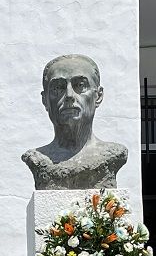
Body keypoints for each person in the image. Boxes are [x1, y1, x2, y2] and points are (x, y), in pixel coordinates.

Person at [21, 54, 129, 190]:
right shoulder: (37, 159)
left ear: (98, 96)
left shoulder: (114, 154)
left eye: (80, 85)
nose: (69, 95)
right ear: (45, 100)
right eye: (58, 88)